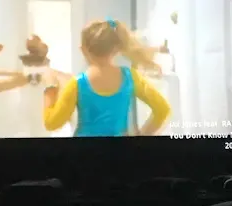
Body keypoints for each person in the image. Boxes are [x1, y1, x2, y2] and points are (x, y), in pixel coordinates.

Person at [42, 19, 171, 137]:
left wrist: (50, 89)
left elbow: (51, 123)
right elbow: (163, 109)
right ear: (116, 48)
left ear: (83, 50)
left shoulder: (77, 84)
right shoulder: (130, 77)